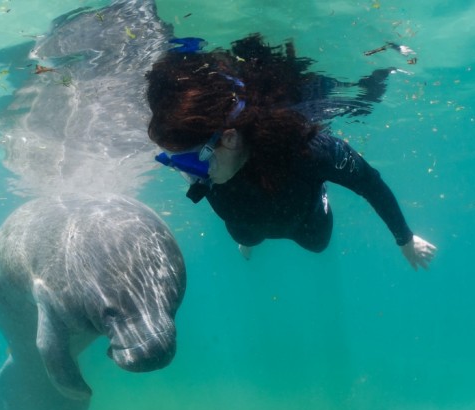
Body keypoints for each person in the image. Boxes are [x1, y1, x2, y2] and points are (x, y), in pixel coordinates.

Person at [146, 34, 436, 270]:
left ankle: (319, 195)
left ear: (231, 140)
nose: (190, 178)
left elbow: (369, 182)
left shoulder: (307, 150)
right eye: (176, 164)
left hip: (304, 221)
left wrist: (405, 239)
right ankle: (248, 239)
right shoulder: (209, 165)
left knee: (317, 245)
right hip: (245, 225)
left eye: (189, 164)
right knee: (244, 234)